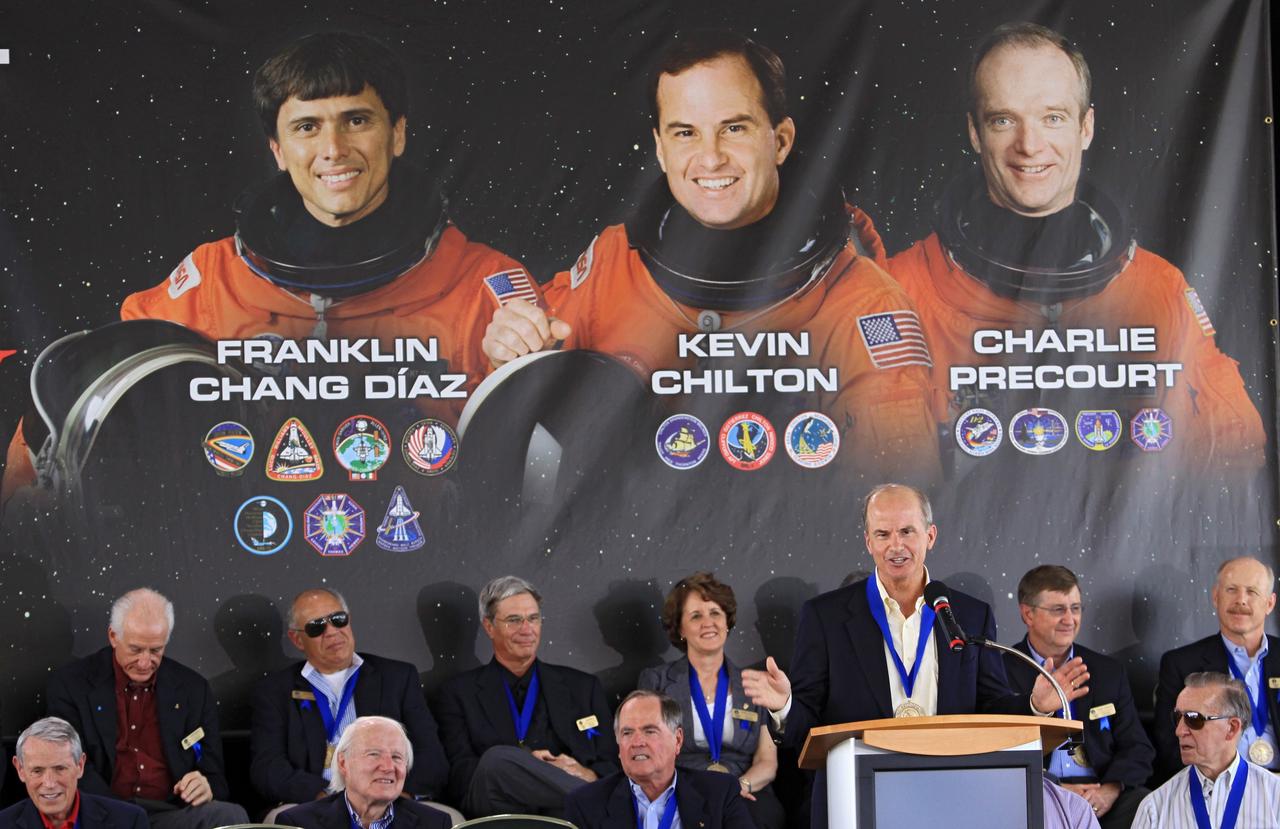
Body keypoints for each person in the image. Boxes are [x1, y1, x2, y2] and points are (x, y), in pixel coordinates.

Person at [2, 31, 533, 506]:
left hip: (421, 565)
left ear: (397, 133)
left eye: (356, 120)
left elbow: (542, 464)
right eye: (307, 126)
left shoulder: (484, 287)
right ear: (279, 150)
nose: (333, 149)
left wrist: (523, 359)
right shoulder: (211, 281)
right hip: (239, 566)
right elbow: (89, 406)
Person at [480, 29, 939, 480]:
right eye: (685, 133)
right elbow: (534, 417)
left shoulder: (867, 308)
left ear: (780, 141)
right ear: (660, 150)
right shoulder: (614, 259)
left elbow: (893, 500)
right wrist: (514, 358)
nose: (711, 157)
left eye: (733, 128)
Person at [886, 21, 1264, 470]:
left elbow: (1238, 456)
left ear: (1085, 128)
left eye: (1053, 118)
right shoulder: (899, 290)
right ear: (974, 133)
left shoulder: (1157, 289)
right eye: (1003, 120)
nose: (1029, 145)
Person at [740, 483, 1088, 828]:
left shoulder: (967, 614)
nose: (896, 546)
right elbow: (807, 727)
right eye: (883, 534)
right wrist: (784, 705)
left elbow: (991, 705)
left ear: (930, 536)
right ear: (868, 542)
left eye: (907, 531)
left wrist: (1035, 706)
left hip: (957, 791)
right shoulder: (825, 617)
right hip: (859, 793)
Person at [44, 589, 247, 829]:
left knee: (230, 816)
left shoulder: (193, 689)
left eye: (155, 650)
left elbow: (215, 777)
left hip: (171, 814)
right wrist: (118, 815)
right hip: (102, 815)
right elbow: (68, 767)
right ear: (113, 636)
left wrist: (206, 787)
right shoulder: (71, 685)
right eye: (135, 649)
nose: (144, 662)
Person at [250, 589, 451, 812]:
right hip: (314, 806)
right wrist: (324, 796)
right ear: (297, 639)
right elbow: (267, 767)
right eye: (316, 627)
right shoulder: (275, 691)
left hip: (390, 799)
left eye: (338, 620)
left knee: (451, 819)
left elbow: (431, 756)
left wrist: (396, 797)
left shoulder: (397, 678)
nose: (332, 632)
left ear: (349, 621)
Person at [434, 576, 619, 817]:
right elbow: (457, 775)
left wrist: (588, 775)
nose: (526, 629)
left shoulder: (583, 687)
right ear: (489, 627)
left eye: (533, 618)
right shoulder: (458, 692)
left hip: (563, 812)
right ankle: (598, 804)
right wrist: (525, 766)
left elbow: (613, 763)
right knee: (496, 760)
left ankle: (590, 799)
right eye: (514, 620)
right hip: (497, 810)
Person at [1004, 565, 1153, 827]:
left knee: (1143, 803)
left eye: (1075, 608)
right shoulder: (1001, 670)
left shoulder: (1108, 672)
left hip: (1102, 799)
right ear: (1028, 614)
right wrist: (1055, 789)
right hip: (1040, 796)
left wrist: (1109, 790)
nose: (1070, 619)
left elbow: (1138, 747)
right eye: (1058, 610)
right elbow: (999, 751)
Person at [638, 573, 782, 829]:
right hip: (680, 789)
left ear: (727, 621)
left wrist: (736, 787)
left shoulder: (754, 684)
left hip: (743, 791)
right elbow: (649, 753)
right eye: (696, 616)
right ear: (681, 628)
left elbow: (767, 762)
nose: (708, 623)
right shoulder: (657, 682)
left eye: (715, 613)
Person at [1154, 557, 1280, 780]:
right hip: (1217, 786)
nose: (1241, 600)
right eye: (1231, 590)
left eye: (1252, 591)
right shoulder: (1181, 664)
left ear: (1269, 603)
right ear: (1215, 596)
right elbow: (1170, 744)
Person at [564, 690, 755, 829]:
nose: (637, 742)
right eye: (627, 732)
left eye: (649, 731)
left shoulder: (720, 793)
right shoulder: (585, 804)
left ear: (678, 740)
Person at [1132, 672, 1280, 827]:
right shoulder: (1154, 809)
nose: (1179, 731)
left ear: (1232, 728)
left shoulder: (1275, 797)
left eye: (1193, 719)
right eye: (1177, 718)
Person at [278, 716, 452, 829]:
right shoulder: (297, 824)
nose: (388, 767)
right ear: (343, 763)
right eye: (374, 754)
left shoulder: (435, 824)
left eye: (397, 757)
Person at [1, 717, 149, 829]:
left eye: (60, 769)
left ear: (80, 765)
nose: (49, 783)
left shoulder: (129, 821)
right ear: (20, 769)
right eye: (37, 771)